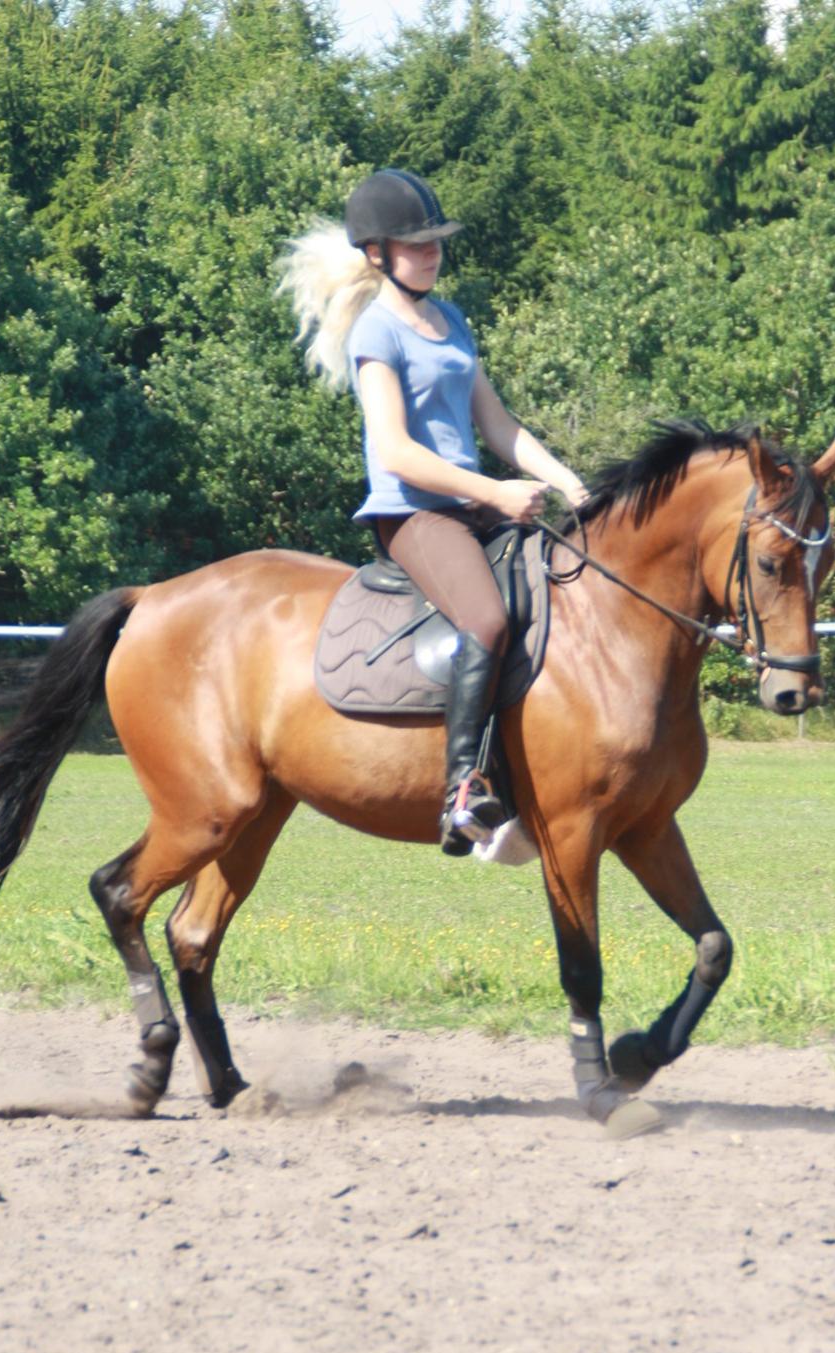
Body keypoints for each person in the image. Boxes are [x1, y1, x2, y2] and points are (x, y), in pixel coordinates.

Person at [280, 168, 588, 855]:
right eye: (416, 244)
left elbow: (498, 425)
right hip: (415, 515)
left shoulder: (451, 321)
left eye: (436, 242)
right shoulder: (376, 333)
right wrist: (496, 493)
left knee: (554, 599)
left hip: (474, 510)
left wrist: (571, 484)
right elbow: (395, 451)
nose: (432, 253)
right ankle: (464, 790)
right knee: (487, 619)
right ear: (377, 253)